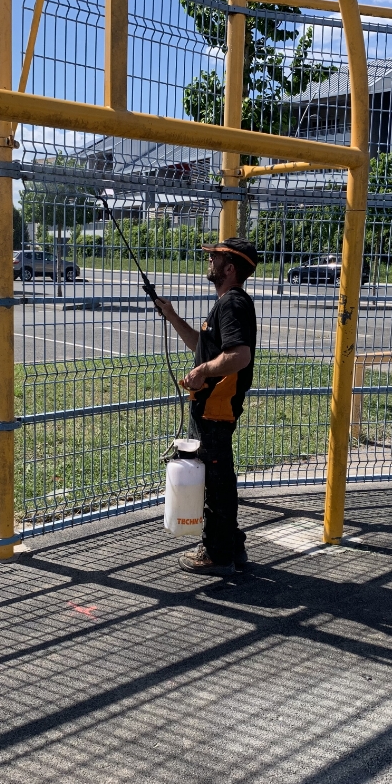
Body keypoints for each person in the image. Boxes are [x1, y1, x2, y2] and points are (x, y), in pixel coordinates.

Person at [155, 237, 259, 576]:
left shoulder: (232, 304)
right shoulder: (228, 303)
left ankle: (218, 554)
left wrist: (201, 372)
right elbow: (205, 346)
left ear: (229, 268)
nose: (209, 261)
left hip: (217, 409)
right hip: (211, 408)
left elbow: (238, 356)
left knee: (216, 484)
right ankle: (232, 544)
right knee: (216, 481)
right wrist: (172, 316)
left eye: (214, 257)